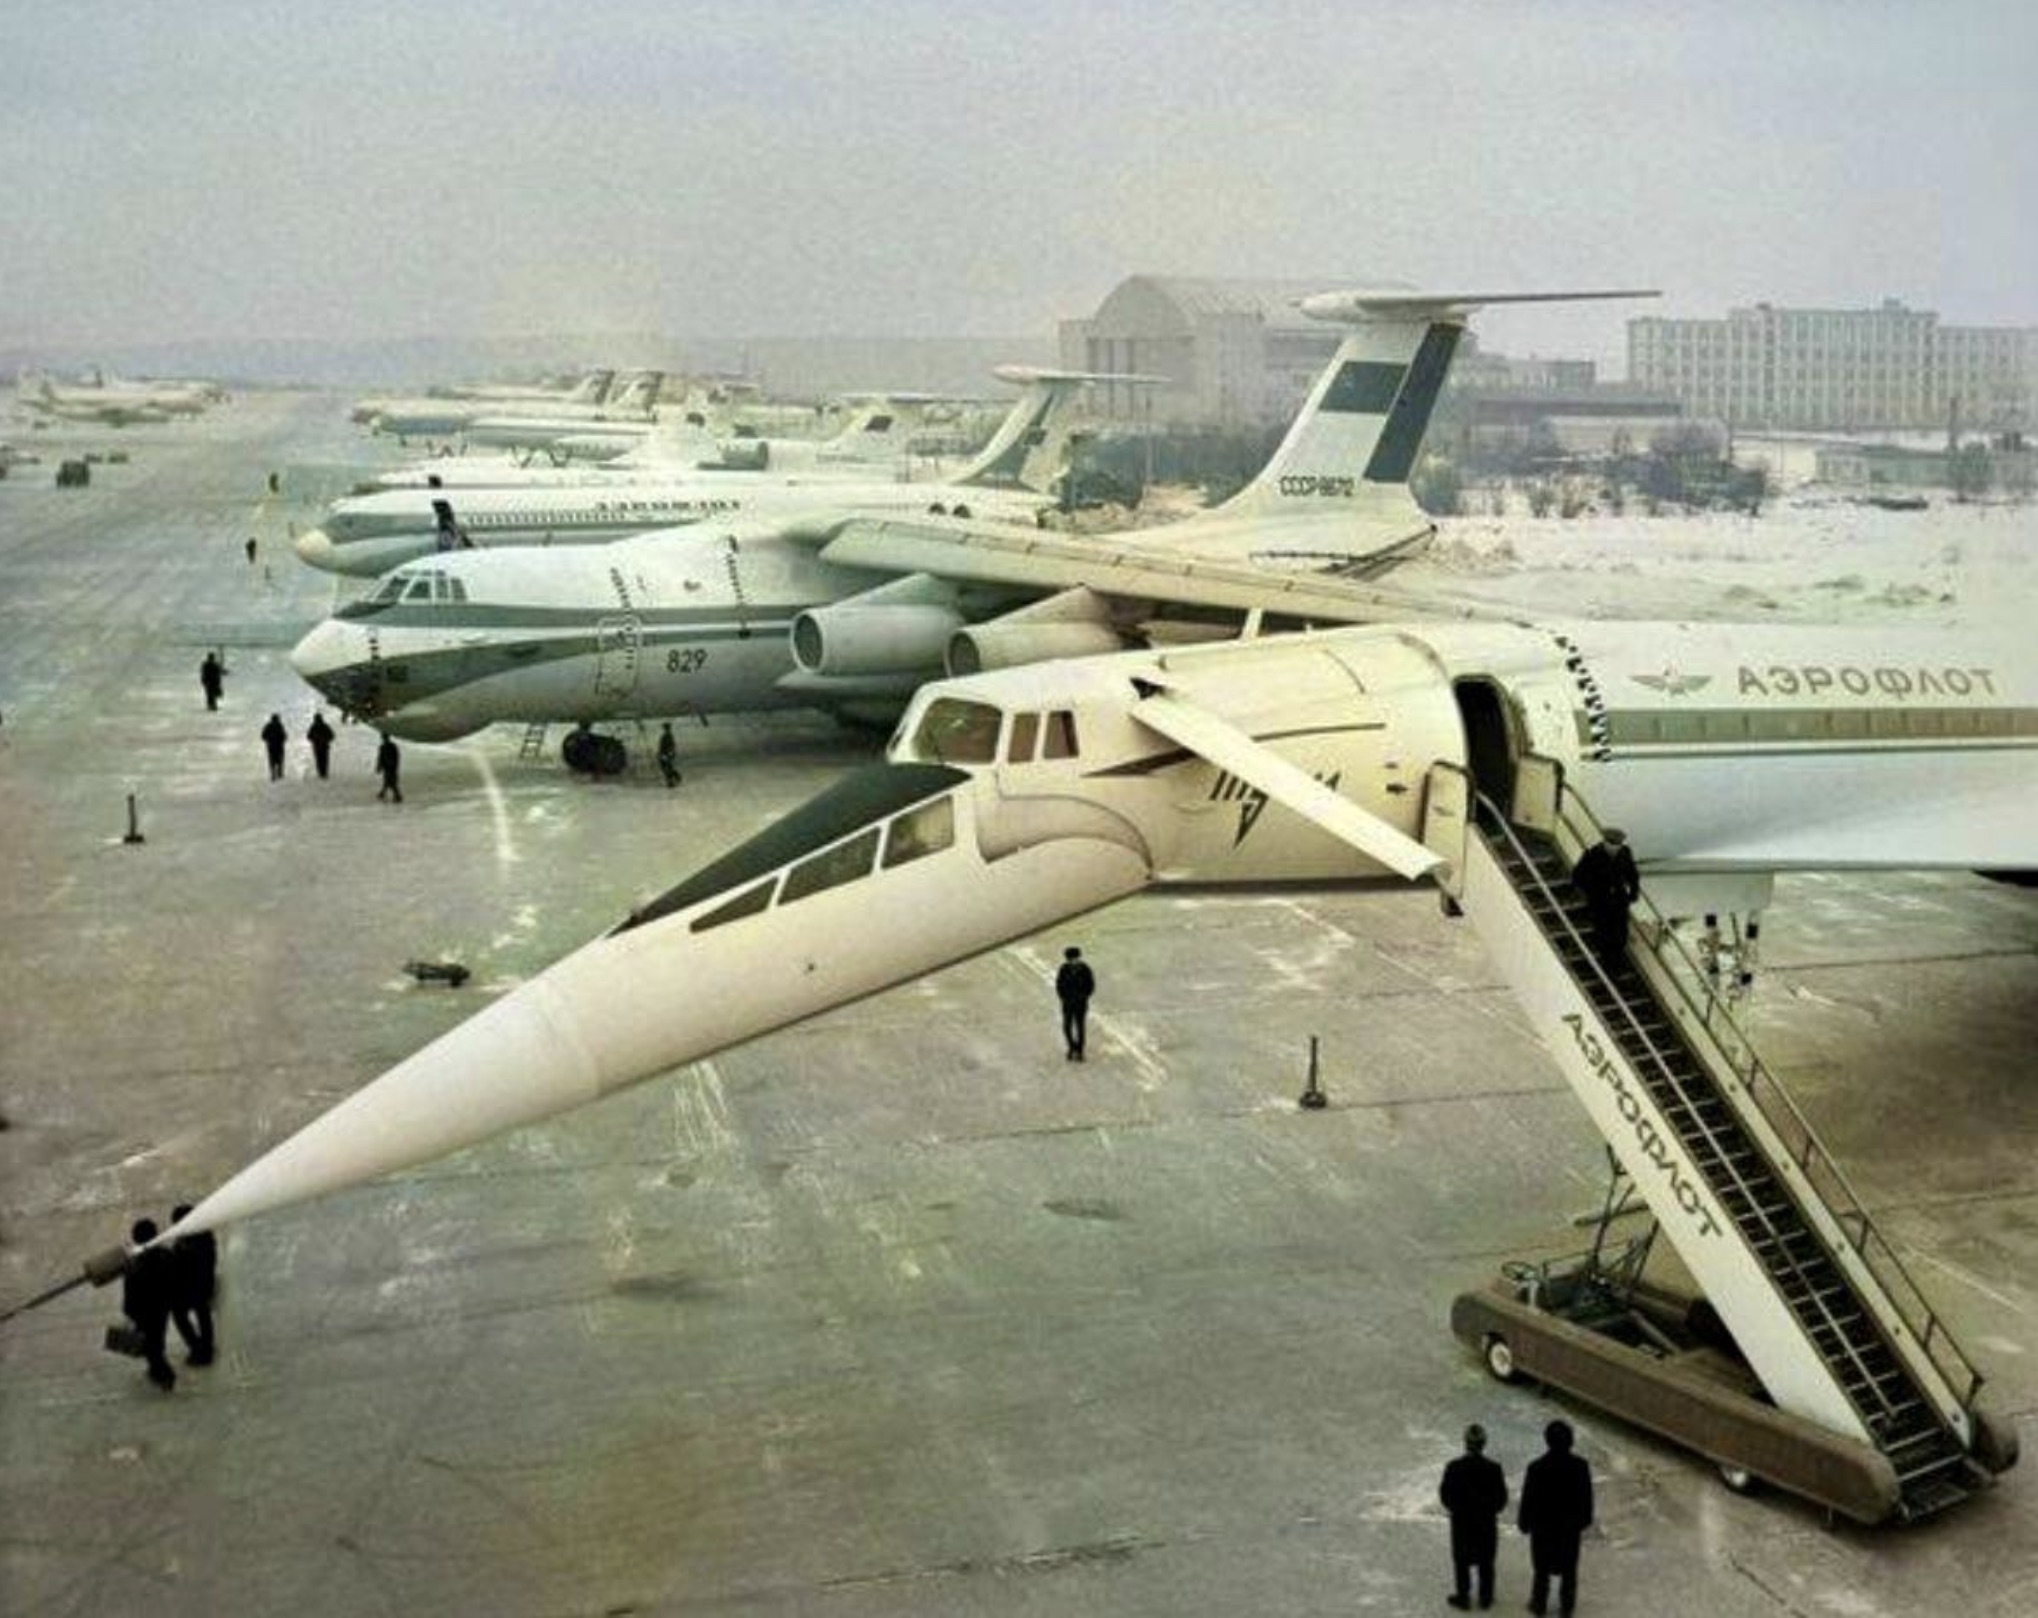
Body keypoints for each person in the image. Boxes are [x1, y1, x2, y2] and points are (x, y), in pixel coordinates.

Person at [1518, 1420, 1593, 1617]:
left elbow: (1529, 1499)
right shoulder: (1580, 1467)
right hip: (1569, 1530)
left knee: (1541, 1570)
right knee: (1569, 1571)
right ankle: (1567, 1608)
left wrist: (1524, 1523)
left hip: (1543, 1530)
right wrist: (1583, 1521)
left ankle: (1539, 1604)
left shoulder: (1536, 1468)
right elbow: (1586, 1499)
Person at [1440, 1423, 1508, 1610]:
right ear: (1484, 1443)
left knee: (1461, 1561)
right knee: (1486, 1561)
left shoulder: (1453, 1467)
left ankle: (1463, 1597)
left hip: (1462, 1523)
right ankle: (1485, 1598)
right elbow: (1501, 1499)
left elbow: (1445, 1495)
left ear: (1466, 1443)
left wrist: (1457, 1509)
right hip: (1485, 1523)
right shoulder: (1494, 1469)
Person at [1570, 827, 1640, 968]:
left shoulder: (1625, 853)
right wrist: (1590, 891)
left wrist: (1633, 893)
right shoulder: (1592, 854)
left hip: (1619, 901)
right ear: (1605, 842)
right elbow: (1577, 875)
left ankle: (1617, 963)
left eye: (1617, 845)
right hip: (1600, 902)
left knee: (1621, 935)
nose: (1614, 848)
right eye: (1612, 844)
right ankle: (1607, 965)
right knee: (1603, 935)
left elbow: (1633, 875)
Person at [121, 1218, 177, 1390]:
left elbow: (131, 1287)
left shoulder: (137, 1262)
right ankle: (156, 1370)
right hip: (161, 1307)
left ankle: (165, 1375)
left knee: (151, 1345)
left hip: (143, 1310)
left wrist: (128, 1309)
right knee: (156, 1340)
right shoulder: (165, 1255)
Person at [167, 1203, 217, 1367]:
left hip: (196, 1286)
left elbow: (193, 1263)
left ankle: (201, 1350)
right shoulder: (194, 1236)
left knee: (190, 1314)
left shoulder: (197, 1238)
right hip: (195, 1286)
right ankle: (201, 1347)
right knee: (198, 1314)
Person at [1055, 945, 1095, 1061]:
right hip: (1067, 1003)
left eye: (1075, 958)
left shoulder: (1085, 969)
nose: (1074, 960)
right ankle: (1072, 1047)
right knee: (1066, 1027)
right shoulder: (1064, 969)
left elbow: (1091, 986)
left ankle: (1080, 1051)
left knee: (1080, 1027)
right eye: (1072, 959)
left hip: (1080, 1004)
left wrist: (1083, 997)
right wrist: (1063, 998)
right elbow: (1059, 985)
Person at [306, 711, 335, 779]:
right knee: (324, 760)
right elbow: (331, 736)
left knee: (320, 760)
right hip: (322, 746)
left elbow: (309, 736)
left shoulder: (314, 726)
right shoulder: (323, 726)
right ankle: (323, 773)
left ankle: (322, 773)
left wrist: (316, 739)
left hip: (319, 746)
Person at [375, 732, 403, 802]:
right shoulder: (386, 747)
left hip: (391, 767)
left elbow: (396, 757)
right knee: (388, 781)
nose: (384, 739)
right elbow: (381, 758)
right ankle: (384, 793)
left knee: (391, 782)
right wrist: (379, 766)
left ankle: (397, 795)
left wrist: (379, 767)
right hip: (388, 767)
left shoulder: (389, 747)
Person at [260, 713, 287, 781]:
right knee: (280, 760)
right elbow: (284, 736)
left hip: (271, 746)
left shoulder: (268, 726)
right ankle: (280, 773)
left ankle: (273, 774)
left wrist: (268, 740)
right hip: (279, 746)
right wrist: (282, 740)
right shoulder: (280, 725)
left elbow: (263, 736)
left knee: (272, 760)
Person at [656, 721, 681, 789]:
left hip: (666, 755)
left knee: (666, 768)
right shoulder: (668, 736)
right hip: (666, 754)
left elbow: (668, 746)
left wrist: (666, 754)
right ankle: (675, 777)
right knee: (667, 768)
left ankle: (672, 781)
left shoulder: (667, 736)